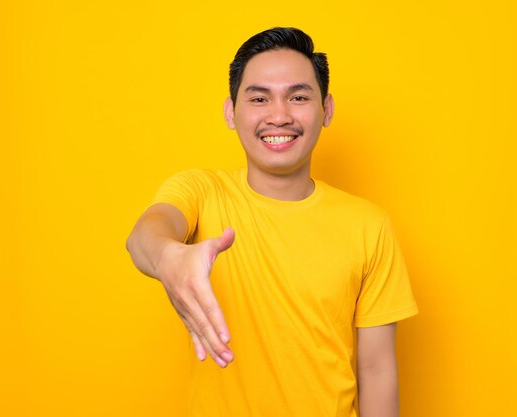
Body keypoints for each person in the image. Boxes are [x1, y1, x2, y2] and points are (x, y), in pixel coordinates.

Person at [126, 27, 417, 417]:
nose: (279, 116)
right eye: (259, 98)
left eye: (297, 97)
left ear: (326, 109)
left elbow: (376, 370)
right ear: (231, 112)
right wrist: (168, 256)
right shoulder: (201, 191)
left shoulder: (369, 226)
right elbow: (148, 231)